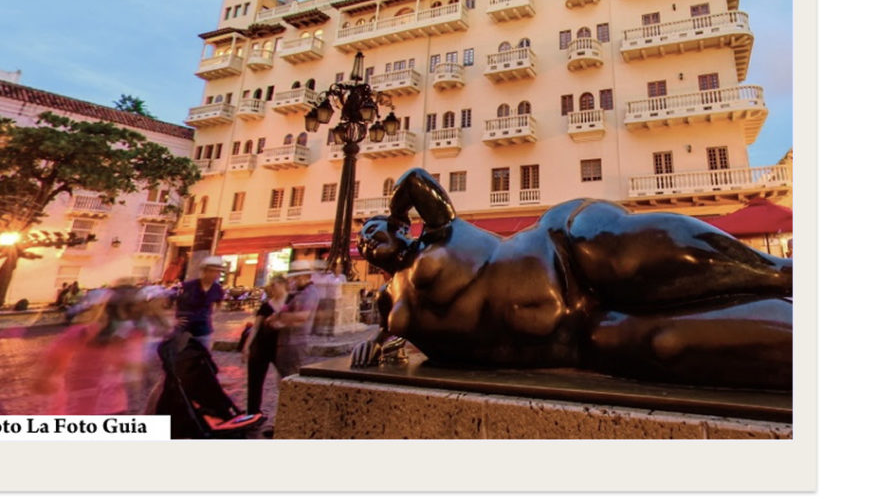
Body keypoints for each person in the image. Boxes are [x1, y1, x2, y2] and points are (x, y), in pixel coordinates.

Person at [353, 168, 793, 390]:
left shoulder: (438, 231)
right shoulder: (392, 304)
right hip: (578, 337)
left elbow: (415, 181)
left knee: (633, 258)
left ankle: (780, 274)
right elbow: (389, 338)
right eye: (363, 241)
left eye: (374, 229)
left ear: (400, 227)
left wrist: (391, 215)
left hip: (563, 252)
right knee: (668, 345)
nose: (369, 240)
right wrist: (373, 345)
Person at [31, 281, 157, 415]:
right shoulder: (130, 337)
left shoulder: (127, 335)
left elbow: (42, 381)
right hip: (97, 409)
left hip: (92, 409)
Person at [264, 260, 322, 380]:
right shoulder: (297, 293)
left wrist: (279, 317)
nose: (294, 280)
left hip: (296, 343)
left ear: (306, 276)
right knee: (283, 378)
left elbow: (302, 316)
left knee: (291, 379)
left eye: (297, 277)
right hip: (285, 342)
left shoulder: (310, 293)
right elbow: (286, 309)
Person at [242, 274, 289, 415]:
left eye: (274, 285)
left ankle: (284, 413)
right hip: (261, 346)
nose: (271, 289)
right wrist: (246, 346)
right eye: (270, 286)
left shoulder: (291, 303)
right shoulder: (266, 305)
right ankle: (253, 413)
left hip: (281, 347)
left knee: (285, 380)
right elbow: (255, 327)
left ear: (282, 284)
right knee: (255, 381)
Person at [176, 256, 226, 350]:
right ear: (204, 271)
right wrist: (173, 320)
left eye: (217, 272)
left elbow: (219, 304)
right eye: (211, 271)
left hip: (203, 327)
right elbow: (172, 302)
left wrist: (211, 316)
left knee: (203, 355)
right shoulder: (188, 286)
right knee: (178, 354)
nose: (215, 274)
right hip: (183, 326)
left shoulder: (217, 289)